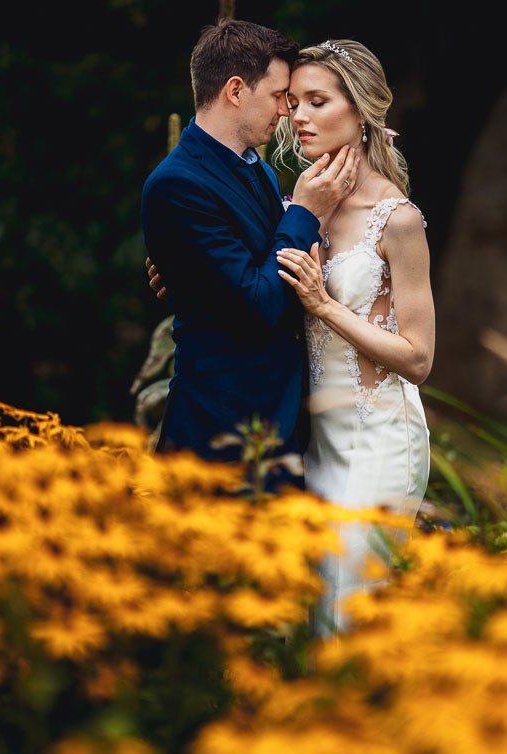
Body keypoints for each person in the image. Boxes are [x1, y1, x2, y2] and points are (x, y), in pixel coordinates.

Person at [149, 37, 433, 633]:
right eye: (288, 98)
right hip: (302, 440)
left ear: (360, 112)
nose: (293, 114)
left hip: (373, 435)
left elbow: (420, 357)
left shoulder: (396, 219)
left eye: (312, 100)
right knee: (303, 621)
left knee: (345, 616)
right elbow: (252, 278)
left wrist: (326, 306)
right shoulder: (295, 198)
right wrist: (189, 276)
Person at [141, 20, 360, 471]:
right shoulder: (176, 184)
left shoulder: (257, 170)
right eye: (280, 95)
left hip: (282, 422)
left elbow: (253, 262)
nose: (287, 111)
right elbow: (256, 302)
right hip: (222, 432)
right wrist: (305, 212)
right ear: (236, 90)